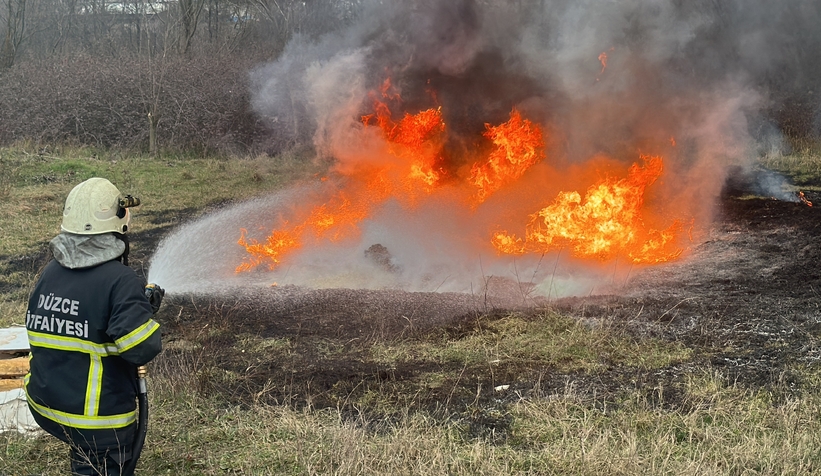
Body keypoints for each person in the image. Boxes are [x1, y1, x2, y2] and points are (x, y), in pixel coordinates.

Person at [23, 177, 163, 476]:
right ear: (118, 223)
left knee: (86, 455)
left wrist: (136, 308)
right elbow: (140, 349)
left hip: (48, 403)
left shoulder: (51, 272)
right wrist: (145, 313)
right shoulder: (120, 280)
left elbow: (84, 321)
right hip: (96, 419)